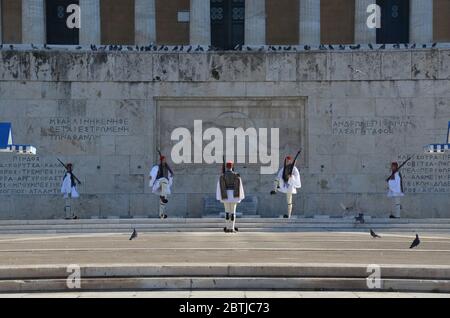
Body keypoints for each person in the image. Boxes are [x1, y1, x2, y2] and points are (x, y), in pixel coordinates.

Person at [217, 161, 245, 233]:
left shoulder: (222, 175)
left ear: (226, 167)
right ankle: (232, 228)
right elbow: (239, 186)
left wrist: (220, 196)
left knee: (227, 212)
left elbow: (219, 187)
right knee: (233, 212)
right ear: (232, 166)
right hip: (234, 195)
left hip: (225, 194)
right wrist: (240, 195)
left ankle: (227, 227)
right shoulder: (236, 175)